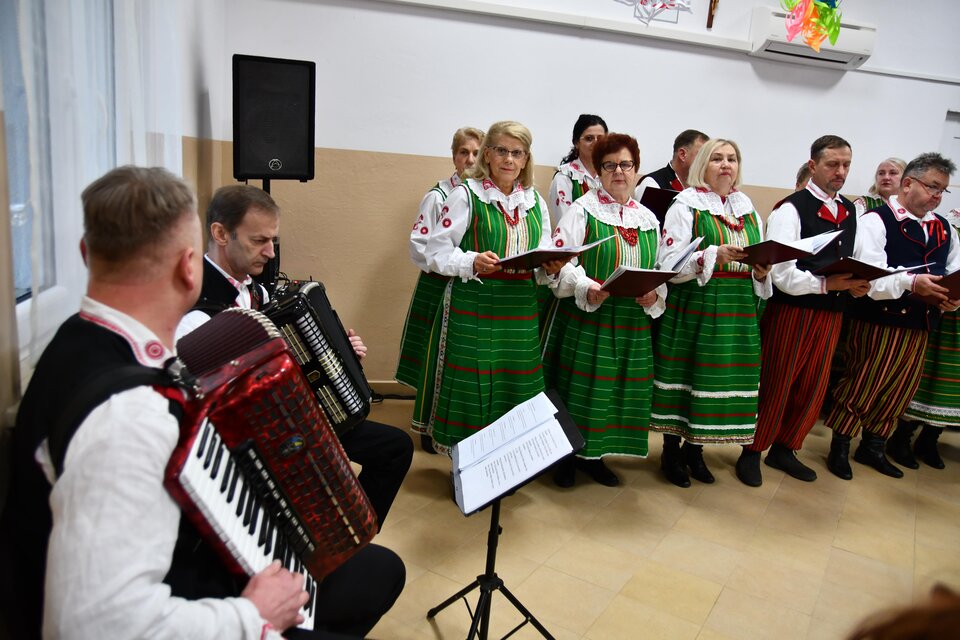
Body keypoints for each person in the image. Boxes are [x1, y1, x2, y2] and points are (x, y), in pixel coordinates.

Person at [0, 166, 404, 639]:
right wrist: (251, 615)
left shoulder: (75, 340)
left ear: (86, 253)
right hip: (167, 600)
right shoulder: (129, 416)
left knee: (376, 570)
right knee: (368, 578)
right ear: (188, 268)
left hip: (147, 557)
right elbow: (90, 625)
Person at [178, 185, 413, 529]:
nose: (270, 252)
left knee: (394, 448)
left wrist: (337, 356)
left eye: (273, 240)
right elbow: (212, 410)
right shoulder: (197, 315)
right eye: (259, 240)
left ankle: (349, 536)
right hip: (253, 440)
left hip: (293, 415)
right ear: (221, 234)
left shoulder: (256, 290)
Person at [421, 120, 566, 454]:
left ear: (526, 159)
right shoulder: (465, 195)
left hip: (520, 307)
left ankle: (511, 461)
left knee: (516, 383)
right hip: (476, 303)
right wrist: (471, 261)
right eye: (501, 150)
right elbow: (436, 252)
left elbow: (543, 248)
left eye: (518, 153)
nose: (509, 159)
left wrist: (552, 266)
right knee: (473, 386)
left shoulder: (534, 201)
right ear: (487, 154)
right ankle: (467, 462)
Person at [736, 135, 870, 486]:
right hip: (792, 311)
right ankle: (752, 450)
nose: (840, 172)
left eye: (846, 165)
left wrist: (858, 282)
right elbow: (781, 274)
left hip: (832, 312)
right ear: (813, 165)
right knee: (778, 381)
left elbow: (856, 258)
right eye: (832, 164)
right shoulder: (791, 209)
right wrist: (826, 284)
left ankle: (786, 448)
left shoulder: (851, 211)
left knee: (813, 385)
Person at [824, 153, 960, 480]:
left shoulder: (944, 228)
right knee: (864, 382)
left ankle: (873, 446)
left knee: (900, 388)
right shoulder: (876, 220)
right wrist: (911, 282)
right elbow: (869, 276)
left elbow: (954, 269)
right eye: (932, 187)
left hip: (922, 322)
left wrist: (952, 300)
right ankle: (840, 445)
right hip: (879, 318)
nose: (937, 195)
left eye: (942, 190)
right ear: (908, 183)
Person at [542, 133, 666, 487]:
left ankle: (595, 456)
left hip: (630, 323)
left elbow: (659, 267)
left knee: (613, 391)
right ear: (598, 171)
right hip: (588, 317)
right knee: (578, 389)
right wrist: (584, 286)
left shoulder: (648, 219)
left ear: (636, 170)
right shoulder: (582, 210)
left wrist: (654, 294)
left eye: (626, 164)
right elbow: (558, 262)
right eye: (609, 165)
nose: (618, 172)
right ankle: (565, 458)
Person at [650, 138, 772, 487]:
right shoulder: (685, 204)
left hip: (737, 309)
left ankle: (695, 449)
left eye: (732, 159)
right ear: (703, 164)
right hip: (697, 305)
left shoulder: (747, 207)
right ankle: (671, 451)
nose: (726, 164)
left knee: (714, 383)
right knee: (688, 378)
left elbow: (759, 255)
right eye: (717, 158)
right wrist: (712, 256)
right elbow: (668, 263)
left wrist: (761, 271)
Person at [399, 126, 484, 453]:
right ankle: (427, 425)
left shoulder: (483, 195)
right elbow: (419, 245)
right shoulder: (439, 196)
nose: (470, 159)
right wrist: (453, 264)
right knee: (434, 357)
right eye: (464, 152)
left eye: (476, 153)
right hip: (439, 284)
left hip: (471, 287)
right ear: (453, 156)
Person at [889, 207, 960, 470]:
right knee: (927, 375)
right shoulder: (950, 224)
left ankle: (930, 439)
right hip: (945, 313)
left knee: (954, 386)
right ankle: (901, 437)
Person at [547, 114, 608, 227]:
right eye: (589, 138)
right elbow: (566, 226)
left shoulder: (610, 175)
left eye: (600, 139)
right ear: (576, 143)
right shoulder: (564, 178)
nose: (596, 143)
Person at [634, 129, 709, 201]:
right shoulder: (652, 184)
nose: (707, 161)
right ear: (682, 154)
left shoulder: (705, 186)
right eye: (702, 155)